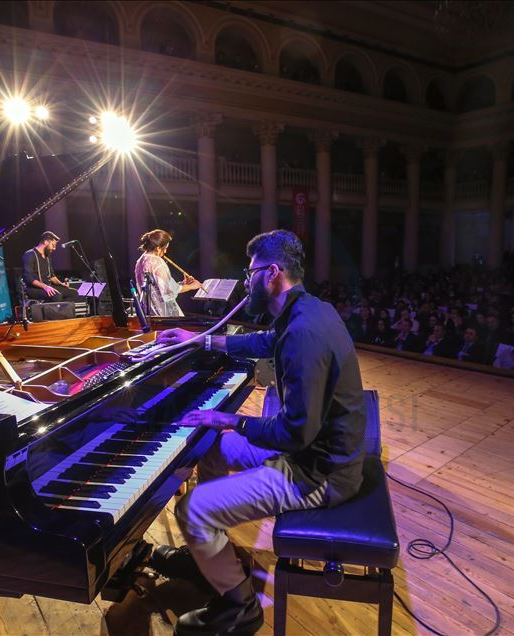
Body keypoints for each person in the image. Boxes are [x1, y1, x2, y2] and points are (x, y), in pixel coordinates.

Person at [150, 230, 366, 635]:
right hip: (313, 455)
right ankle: (211, 550)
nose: (246, 281)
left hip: (319, 473)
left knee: (190, 509)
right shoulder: (310, 311)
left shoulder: (304, 333)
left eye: (250, 273)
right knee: (211, 447)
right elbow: (267, 340)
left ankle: (239, 607)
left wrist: (231, 419)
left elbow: (294, 434)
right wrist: (202, 339)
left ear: (271, 273)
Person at [134, 229, 202, 317]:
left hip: (148, 312)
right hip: (161, 314)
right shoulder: (157, 261)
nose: (165, 252)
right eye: (165, 248)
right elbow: (169, 291)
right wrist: (191, 286)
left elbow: (158, 287)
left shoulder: (140, 261)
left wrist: (182, 284)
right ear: (158, 248)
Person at [22, 231, 79, 301]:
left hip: (48, 286)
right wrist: (45, 287)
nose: (54, 248)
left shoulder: (47, 256)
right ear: (46, 242)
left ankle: (62, 310)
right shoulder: (30, 254)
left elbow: (51, 276)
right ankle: (54, 310)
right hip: (34, 289)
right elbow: (28, 278)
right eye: (53, 245)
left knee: (74, 293)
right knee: (57, 296)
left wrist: (61, 284)